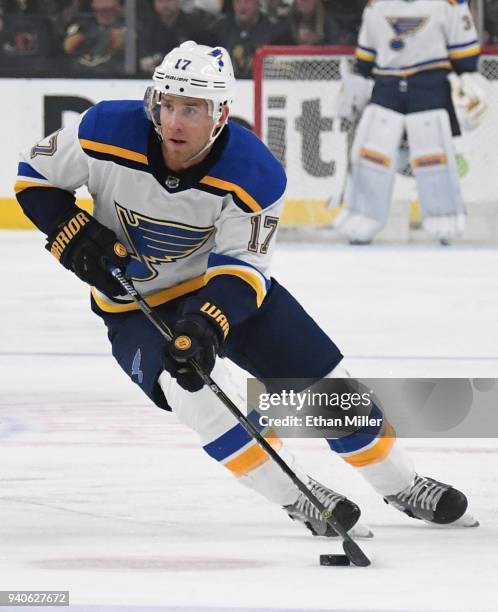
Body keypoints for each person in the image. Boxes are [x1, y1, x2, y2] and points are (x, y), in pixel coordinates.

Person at [15, 40, 476, 537]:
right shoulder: (104, 129)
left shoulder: (254, 173)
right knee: (193, 395)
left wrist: (205, 323)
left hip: (225, 293)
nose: (174, 123)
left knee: (331, 391)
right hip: (137, 307)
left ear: (220, 114)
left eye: (191, 109)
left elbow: (243, 269)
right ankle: (297, 492)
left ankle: (400, 484)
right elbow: (33, 176)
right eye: (167, 105)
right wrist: (72, 235)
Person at [333, 0, 487, 245]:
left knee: (434, 159)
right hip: (388, 88)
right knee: (370, 158)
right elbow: (365, 60)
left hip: (429, 89)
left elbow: (465, 57)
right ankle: (361, 222)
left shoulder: (447, 4)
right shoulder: (378, 5)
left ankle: (444, 221)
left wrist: (468, 84)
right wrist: (355, 92)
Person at [137, 0, 215, 76]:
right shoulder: (148, 26)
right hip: (154, 77)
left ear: (178, 1)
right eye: (160, 1)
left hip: (188, 77)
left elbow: (208, 53)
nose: (165, 5)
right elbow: (143, 54)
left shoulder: (194, 25)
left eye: (169, 1)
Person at [212, 0, 276, 78]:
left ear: (258, 3)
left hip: (261, 85)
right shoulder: (219, 28)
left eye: (247, 1)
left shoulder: (272, 30)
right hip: (227, 85)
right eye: (238, 1)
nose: (242, 6)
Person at [63, 0, 126, 75]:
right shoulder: (81, 26)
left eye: (107, 10)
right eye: (97, 10)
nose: (101, 14)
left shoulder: (130, 29)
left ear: (119, 8)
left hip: (118, 78)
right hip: (78, 77)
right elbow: (69, 48)